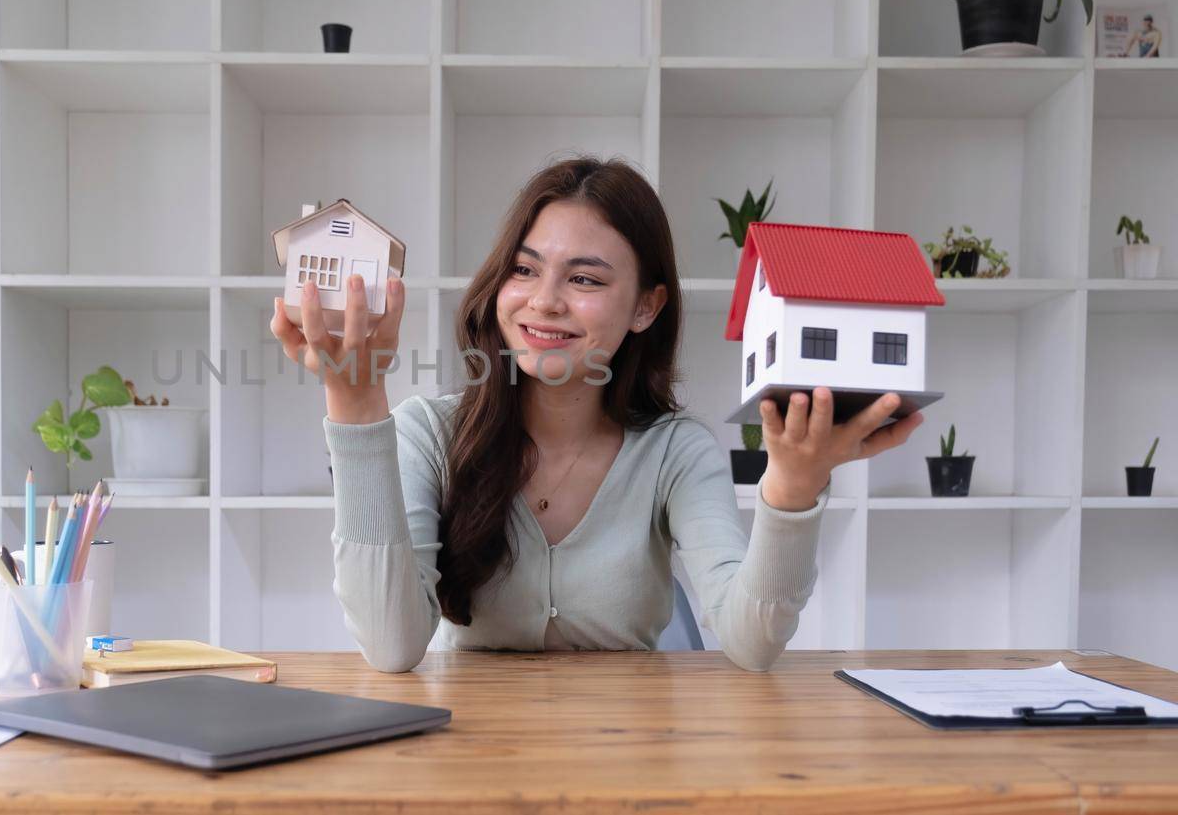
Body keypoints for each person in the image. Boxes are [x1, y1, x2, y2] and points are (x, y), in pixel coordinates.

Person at [268, 156, 923, 673]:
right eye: (524, 270)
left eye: (585, 279)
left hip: (634, 763)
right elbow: (389, 647)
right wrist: (355, 403)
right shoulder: (428, 434)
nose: (544, 302)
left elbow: (751, 643)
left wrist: (792, 488)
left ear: (645, 306)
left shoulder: (674, 452)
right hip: (468, 762)